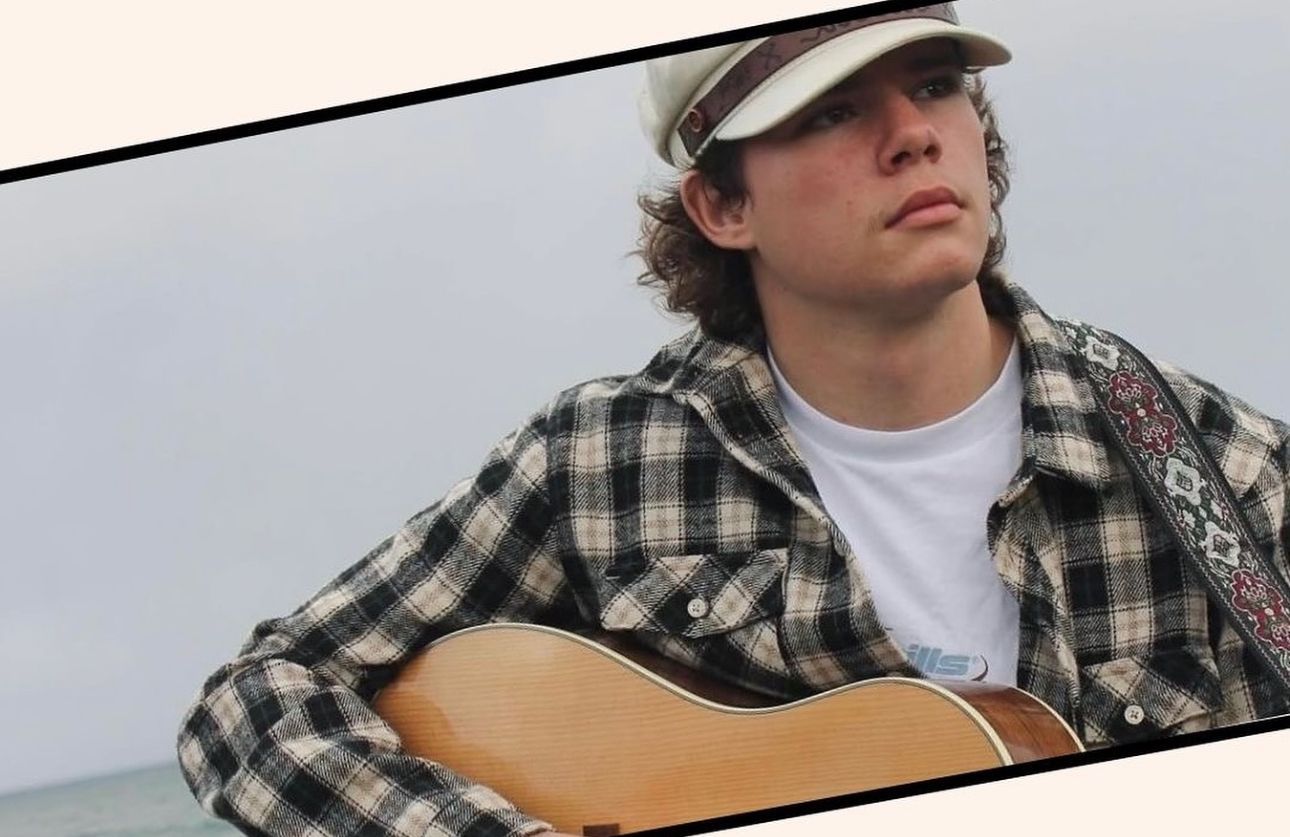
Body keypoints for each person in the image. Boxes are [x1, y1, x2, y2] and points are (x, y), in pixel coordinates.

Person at [178, 3, 1290, 835]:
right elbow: (255, 700)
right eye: (836, 110)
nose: (914, 135)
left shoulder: (1220, 467)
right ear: (722, 204)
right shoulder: (601, 466)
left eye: (937, 83)